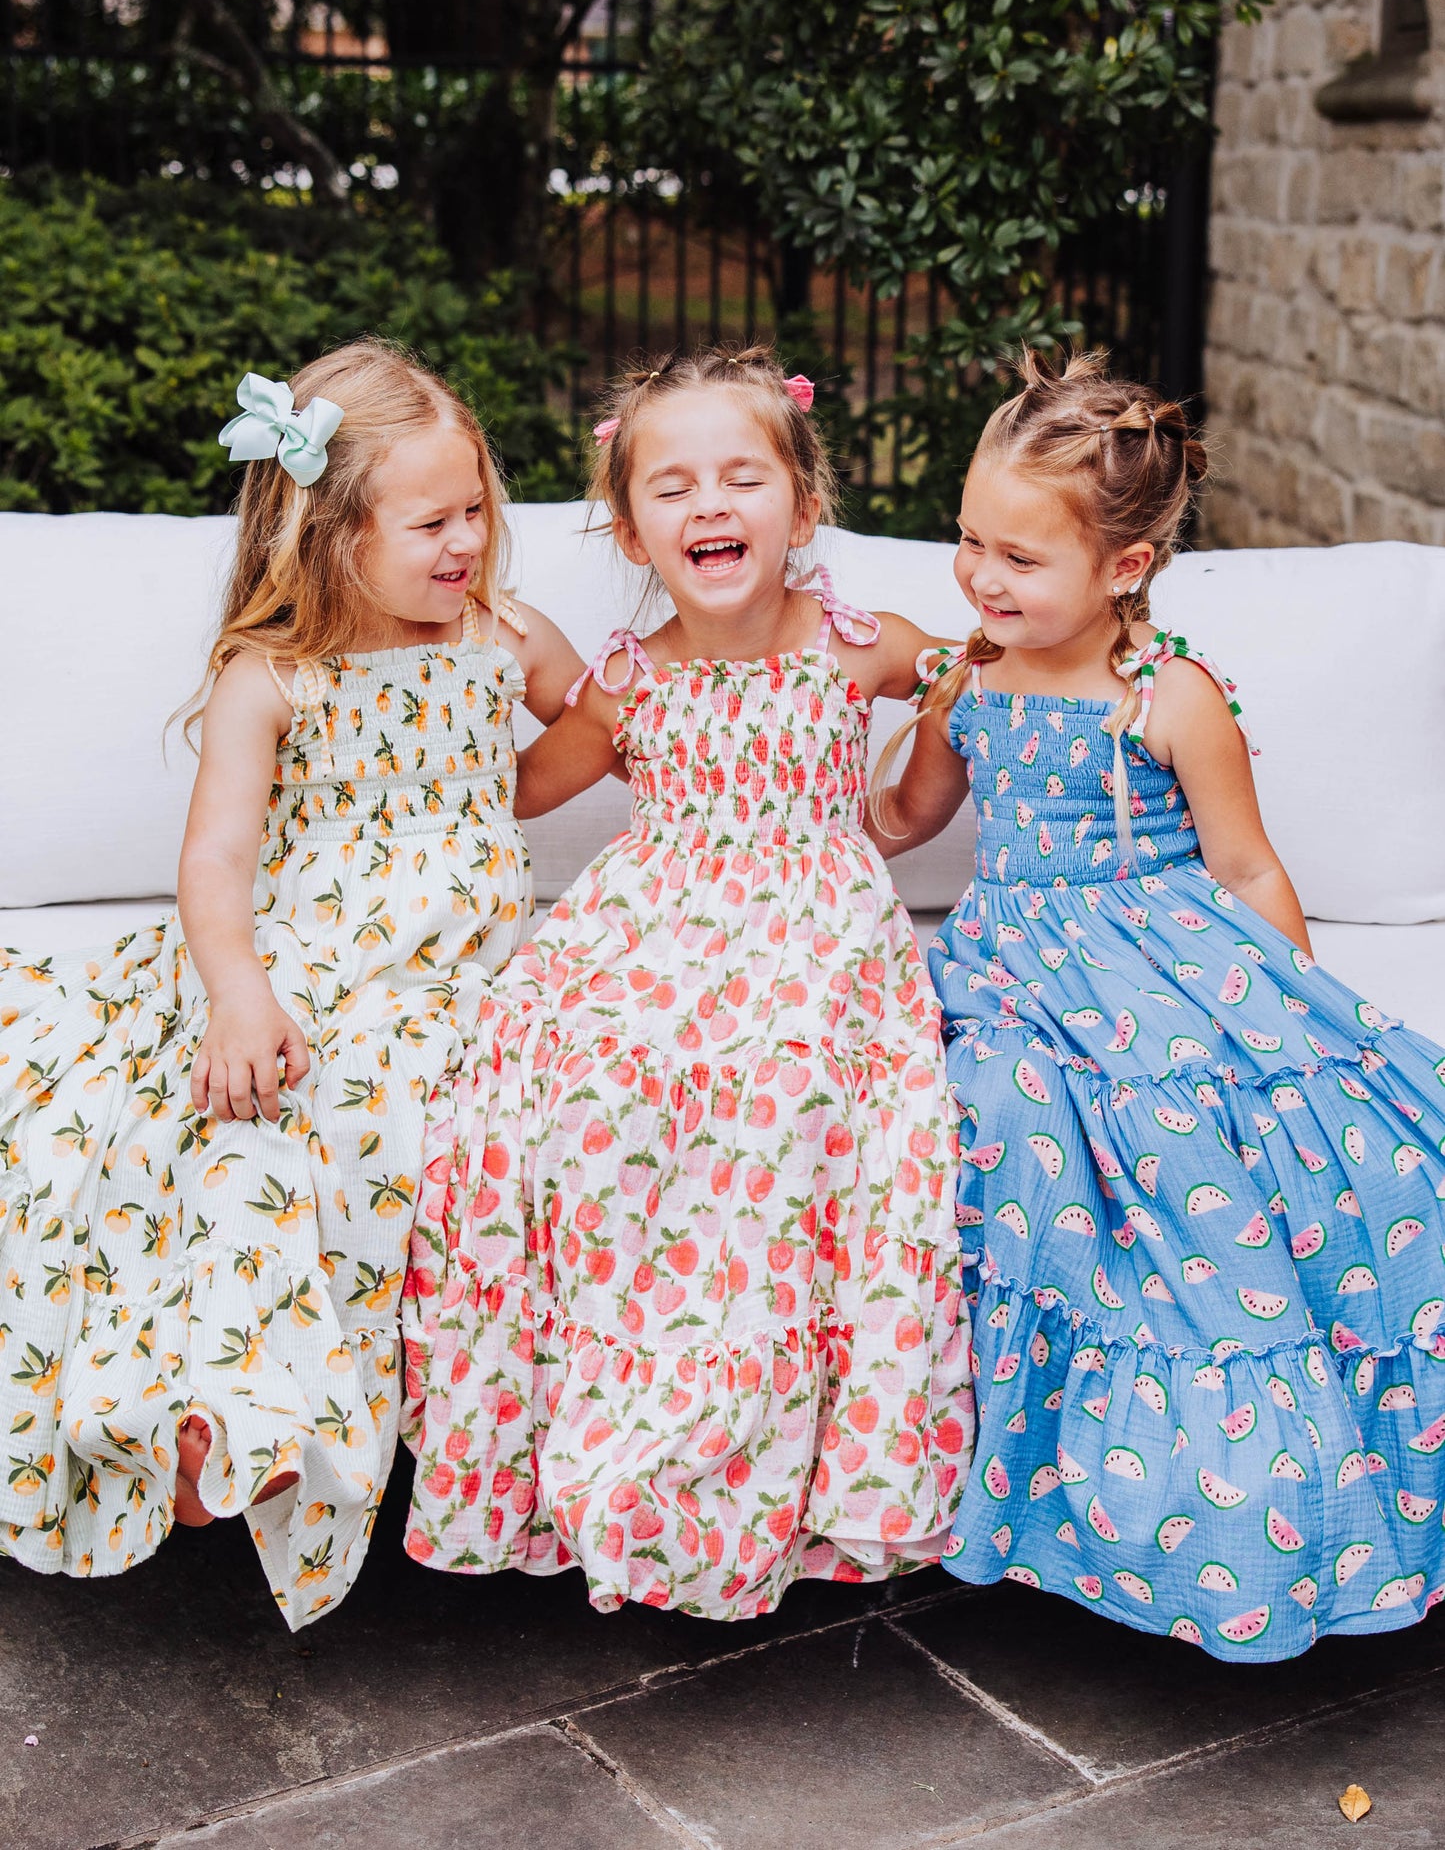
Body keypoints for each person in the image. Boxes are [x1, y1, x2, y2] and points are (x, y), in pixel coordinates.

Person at [868, 347, 1445, 1661]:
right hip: (1014, 962)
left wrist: (1294, 1021)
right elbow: (906, 817)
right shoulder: (969, 680)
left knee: (1246, 1143)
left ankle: (1262, 1478)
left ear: (1122, 567)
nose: (979, 576)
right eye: (968, 541)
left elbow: (1243, 863)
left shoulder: (1168, 693)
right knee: (999, 1122)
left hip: (1172, 949)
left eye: (1018, 557)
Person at [0, 342, 580, 1627]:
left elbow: (573, 743)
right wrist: (239, 992)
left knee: (385, 1122)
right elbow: (211, 862)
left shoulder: (507, 638)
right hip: (301, 962)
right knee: (230, 1131)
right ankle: (212, 1420)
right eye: (432, 520)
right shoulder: (271, 671)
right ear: (329, 533)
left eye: (478, 508)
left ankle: (268, 1420)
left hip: (458, 982)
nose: (467, 542)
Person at [401, 345, 974, 1616]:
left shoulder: (853, 645)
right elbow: (500, 795)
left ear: (801, 505)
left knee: (786, 1099)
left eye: (740, 478)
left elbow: (973, 676)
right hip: (649, 927)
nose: (708, 506)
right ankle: (620, 1453)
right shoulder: (625, 680)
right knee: (557, 1086)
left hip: (815, 937)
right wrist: (423, 677)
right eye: (671, 487)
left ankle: (768, 1463)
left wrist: (900, 797)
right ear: (628, 527)